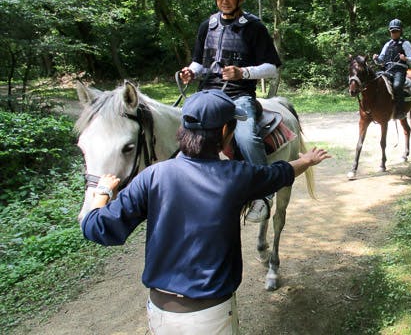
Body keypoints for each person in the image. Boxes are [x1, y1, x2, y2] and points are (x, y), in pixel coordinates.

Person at [81, 89, 331, 335]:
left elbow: (96, 228)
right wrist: (307, 160)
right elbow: (280, 173)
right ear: (225, 131)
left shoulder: (152, 176)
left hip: (159, 311)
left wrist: (102, 191)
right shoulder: (237, 176)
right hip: (211, 315)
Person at [179, 0, 282, 223]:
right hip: (208, 94)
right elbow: (200, 62)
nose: (224, 0)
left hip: (239, 95)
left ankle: (264, 192)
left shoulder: (255, 28)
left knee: (247, 137)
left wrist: (243, 72)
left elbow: (272, 67)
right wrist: (191, 71)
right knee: (182, 127)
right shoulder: (207, 26)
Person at [372, 19, 411, 119]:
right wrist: (376, 58)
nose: (394, 33)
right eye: (392, 31)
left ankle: (401, 111)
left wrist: (405, 59)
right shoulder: (387, 44)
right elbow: (381, 60)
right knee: (374, 81)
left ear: (400, 31)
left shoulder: (405, 43)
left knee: (397, 86)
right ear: (390, 32)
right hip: (387, 70)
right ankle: (372, 107)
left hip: (399, 71)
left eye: (396, 31)